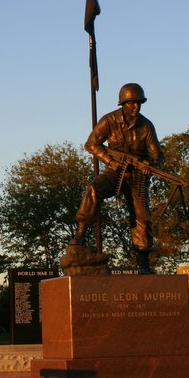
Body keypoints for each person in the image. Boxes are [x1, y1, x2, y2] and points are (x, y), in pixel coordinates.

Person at [71, 83, 163, 274]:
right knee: (93, 190)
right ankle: (80, 234)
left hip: (137, 176)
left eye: (138, 103)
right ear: (123, 104)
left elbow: (157, 155)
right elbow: (91, 144)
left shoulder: (146, 126)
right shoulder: (110, 120)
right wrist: (109, 160)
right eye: (131, 103)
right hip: (115, 171)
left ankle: (144, 261)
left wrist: (151, 166)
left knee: (142, 216)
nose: (135, 107)